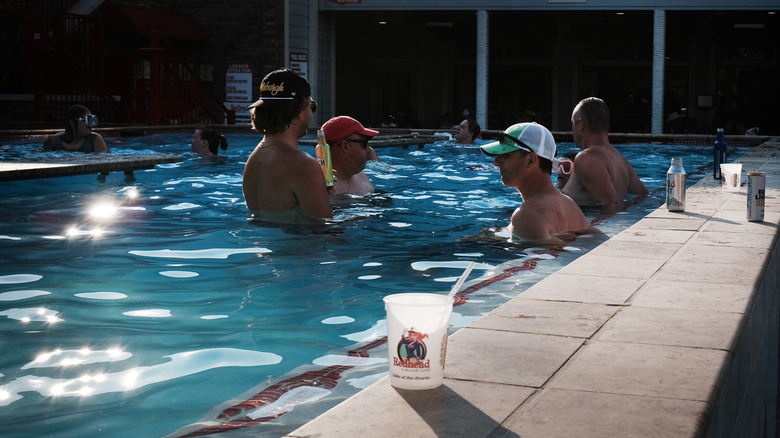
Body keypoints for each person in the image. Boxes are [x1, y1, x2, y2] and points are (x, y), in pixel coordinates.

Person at [242, 68, 331, 224]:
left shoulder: (253, 160)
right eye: (312, 106)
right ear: (299, 112)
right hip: (296, 247)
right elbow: (325, 230)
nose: (312, 113)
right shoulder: (303, 165)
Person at [480, 122, 588, 243]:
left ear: (531, 160)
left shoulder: (526, 215)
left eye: (506, 155)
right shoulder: (570, 206)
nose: (496, 162)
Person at [562, 97, 649, 206]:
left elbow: (612, 206)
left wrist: (589, 224)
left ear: (580, 124)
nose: (572, 130)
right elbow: (644, 196)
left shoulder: (586, 159)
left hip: (594, 220)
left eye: (573, 123)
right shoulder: (621, 161)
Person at [321, 116, 379, 196]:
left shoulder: (360, 176)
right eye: (364, 144)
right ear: (345, 146)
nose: (369, 150)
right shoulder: (321, 187)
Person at [41, 105, 109, 153]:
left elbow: (104, 162)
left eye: (91, 120)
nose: (91, 124)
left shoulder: (95, 139)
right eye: (87, 120)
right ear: (72, 122)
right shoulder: (54, 140)